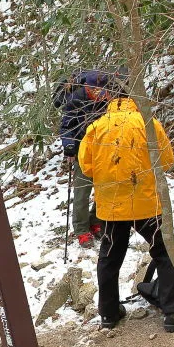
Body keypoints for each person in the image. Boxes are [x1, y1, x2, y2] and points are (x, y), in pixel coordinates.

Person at [78, 77, 174, 333]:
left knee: (110, 257)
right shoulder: (147, 122)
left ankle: (109, 313)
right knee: (164, 251)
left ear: (110, 101)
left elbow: (87, 167)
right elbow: (167, 161)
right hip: (146, 202)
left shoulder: (96, 128)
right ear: (134, 98)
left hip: (112, 206)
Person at [56, 69, 123, 247]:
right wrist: (69, 146)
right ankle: (81, 229)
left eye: (101, 90)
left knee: (103, 189)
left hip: (104, 150)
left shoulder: (109, 100)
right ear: (87, 86)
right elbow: (66, 126)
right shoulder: (76, 98)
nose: (98, 93)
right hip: (82, 151)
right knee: (82, 192)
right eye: (94, 89)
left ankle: (95, 221)